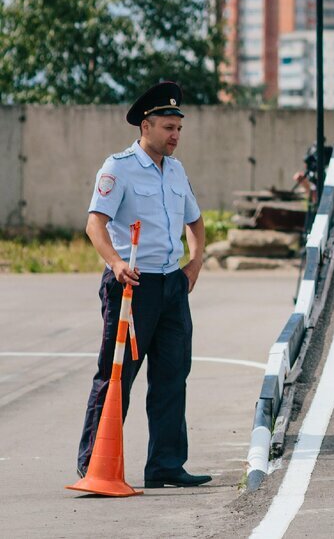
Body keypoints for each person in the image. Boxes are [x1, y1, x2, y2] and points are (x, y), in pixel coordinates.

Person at [75, 81, 211, 488]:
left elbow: (195, 220)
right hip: (132, 286)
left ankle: (166, 465)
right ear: (146, 126)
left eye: (179, 128)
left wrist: (195, 262)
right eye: (169, 127)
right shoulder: (118, 167)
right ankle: (96, 465)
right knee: (116, 375)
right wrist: (115, 263)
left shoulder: (177, 169)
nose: (175, 135)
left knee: (172, 376)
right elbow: (94, 223)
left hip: (172, 286)